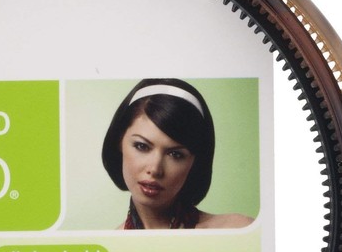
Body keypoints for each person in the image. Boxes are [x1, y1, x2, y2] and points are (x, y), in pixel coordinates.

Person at [102, 79, 254, 229]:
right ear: (119, 142)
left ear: (194, 161)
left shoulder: (238, 230)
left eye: (175, 154)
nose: (155, 169)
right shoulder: (109, 242)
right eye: (142, 146)